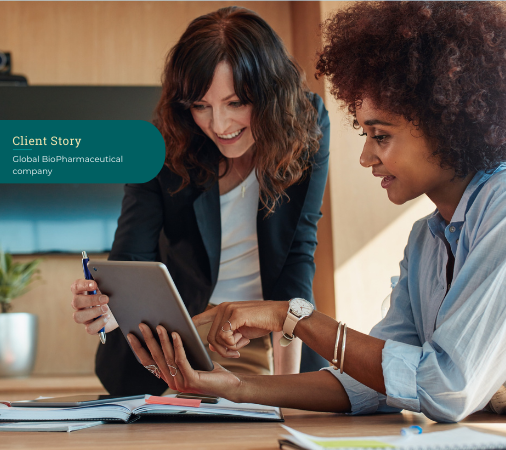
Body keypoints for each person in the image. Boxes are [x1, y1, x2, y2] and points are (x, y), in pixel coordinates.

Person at [123, 1, 506, 431]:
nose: (366, 157)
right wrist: (238, 389)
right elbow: (372, 382)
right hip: (498, 432)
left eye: (381, 136)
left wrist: (291, 316)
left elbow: (444, 386)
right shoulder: (427, 242)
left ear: (445, 122)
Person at [69, 6, 330, 396]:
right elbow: (131, 261)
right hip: (178, 345)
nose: (219, 126)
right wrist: (107, 308)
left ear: (271, 93)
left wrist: (287, 390)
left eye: (237, 102)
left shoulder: (306, 124)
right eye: (201, 106)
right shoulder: (160, 145)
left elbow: (298, 254)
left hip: (272, 338)